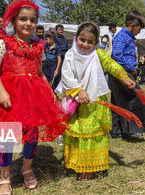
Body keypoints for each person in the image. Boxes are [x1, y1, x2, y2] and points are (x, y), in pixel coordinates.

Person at [0, 0, 68, 194]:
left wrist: (50, 92)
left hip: (33, 98)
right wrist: (2, 92)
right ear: (13, 21)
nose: (28, 23)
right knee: (8, 136)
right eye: (23, 19)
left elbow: (39, 73)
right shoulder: (5, 43)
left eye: (32, 20)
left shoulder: (39, 47)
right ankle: (5, 176)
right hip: (10, 97)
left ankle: (27, 168)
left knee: (32, 134)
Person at [55, 21, 135, 181]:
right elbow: (66, 76)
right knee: (74, 133)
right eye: (82, 40)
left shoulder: (98, 54)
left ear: (96, 42)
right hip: (75, 102)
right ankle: (74, 163)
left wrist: (123, 77)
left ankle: (89, 168)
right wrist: (79, 91)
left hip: (95, 103)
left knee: (91, 135)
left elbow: (111, 64)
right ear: (76, 37)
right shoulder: (70, 55)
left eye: (90, 42)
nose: (85, 44)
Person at [109, 11, 145, 139]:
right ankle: (133, 128)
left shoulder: (128, 37)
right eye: (139, 28)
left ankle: (116, 130)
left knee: (117, 101)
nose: (139, 31)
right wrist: (132, 69)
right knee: (136, 96)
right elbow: (117, 56)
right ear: (132, 25)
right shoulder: (122, 37)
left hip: (123, 72)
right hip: (122, 72)